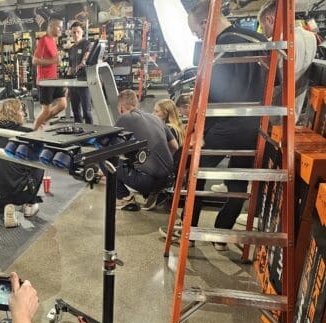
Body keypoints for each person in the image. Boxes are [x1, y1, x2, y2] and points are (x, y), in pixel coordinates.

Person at [162, 0, 269, 251]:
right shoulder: (254, 36)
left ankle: (188, 231)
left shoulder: (220, 45)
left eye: (198, 32)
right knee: (237, 182)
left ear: (206, 23)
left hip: (227, 123)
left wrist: (200, 131)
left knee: (191, 169)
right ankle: (221, 234)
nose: (200, 37)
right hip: (254, 124)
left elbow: (215, 93)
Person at [0, 99, 44, 228]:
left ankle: (4, 205)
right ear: (14, 113)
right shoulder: (27, 134)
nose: (24, 114)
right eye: (21, 111)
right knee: (40, 165)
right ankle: (29, 204)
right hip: (21, 194)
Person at [113, 90, 175, 211]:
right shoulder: (156, 119)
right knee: (141, 160)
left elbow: (112, 149)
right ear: (136, 105)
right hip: (168, 179)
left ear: (120, 108)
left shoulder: (124, 119)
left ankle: (124, 198)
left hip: (147, 181)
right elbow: (174, 146)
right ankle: (153, 193)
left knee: (105, 160)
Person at [258, 0, 317, 123]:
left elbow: (270, 80)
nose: (263, 32)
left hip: (275, 114)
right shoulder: (311, 37)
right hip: (295, 111)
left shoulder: (276, 44)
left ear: (270, 19)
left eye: (263, 27)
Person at [33, 17, 67, 130]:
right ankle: (33, 132)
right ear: (51, 26)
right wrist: (54, 61)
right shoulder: (44, 40)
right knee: (46, 110)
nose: (61, 30)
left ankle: (43, 121)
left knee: (62, 104)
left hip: (54, 79)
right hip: (45, 81)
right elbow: (35, 60)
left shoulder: (53, 41)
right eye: (59, 27)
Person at [67, 22, 93, 124]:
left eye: (78, 32)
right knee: (76, 112)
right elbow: (70, 67)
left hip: (83, 82)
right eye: (73, 32)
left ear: (82, 32)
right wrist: (67, 84)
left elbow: (86, 55)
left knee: (87, 112)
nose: (76, 34)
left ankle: (91, 136)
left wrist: (82, 62)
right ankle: (79, 133)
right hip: (73, 84)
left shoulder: (86, 43)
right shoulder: (71, 49)